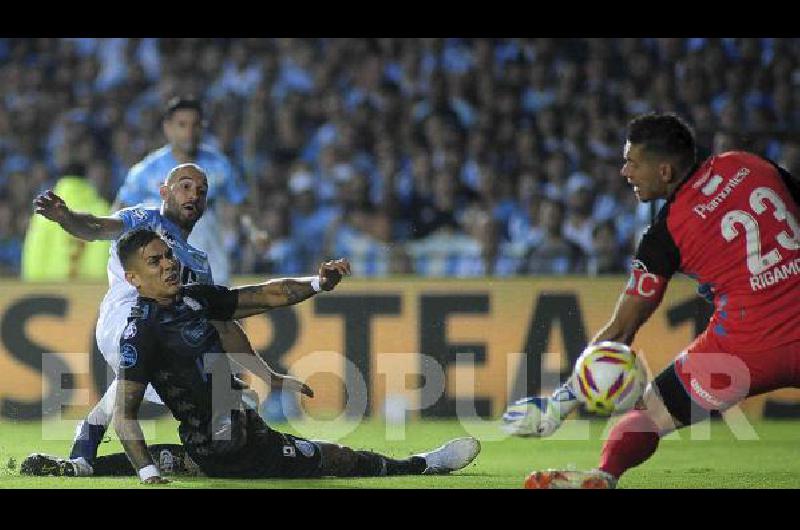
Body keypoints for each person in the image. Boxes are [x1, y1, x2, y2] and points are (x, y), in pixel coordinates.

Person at [22, 230, 481, 482]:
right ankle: (421, 465)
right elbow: (123, 411)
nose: (168, 265)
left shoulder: (194, 298)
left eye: (168, 256)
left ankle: (78, 469)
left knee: (181, 458)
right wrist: (144, 473)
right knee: (332, 458)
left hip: (220, 434)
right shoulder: (141, 332)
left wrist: (317, 283)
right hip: (232, 448)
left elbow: (261, 297)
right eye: (155, 262)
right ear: (133, 279)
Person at [504, 112, 800, 488]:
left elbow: (623, 328)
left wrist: (561, 404)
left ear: (664, 171)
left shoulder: (665, 234)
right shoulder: (749, 164)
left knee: (650, 413)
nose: (625, 172)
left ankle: (604, 475)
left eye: (632, 162)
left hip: (746, 346)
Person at [32, 163, 300, 470]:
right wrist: (66, 218)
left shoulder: (198, 263)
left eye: (201, 191)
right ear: (164, 192)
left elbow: (220, 323)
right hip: (124, 319)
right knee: (185, 366)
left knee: (198, 386)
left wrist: (255, 375)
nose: (194, 195)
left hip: (161, 336)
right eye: (185, 186)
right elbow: (96, 227)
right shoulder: (143, 220)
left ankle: (84, 453)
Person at [113, 95, 255, 286]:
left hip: (209, 259)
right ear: (168, 127)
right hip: (164, 266)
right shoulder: (146, 171)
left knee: (222, 313)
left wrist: (254, 232)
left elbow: (240, 206)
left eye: (195, 125)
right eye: (182, 125)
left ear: (202, 127)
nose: (189, 132)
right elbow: (120, 212)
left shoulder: (219, 165)